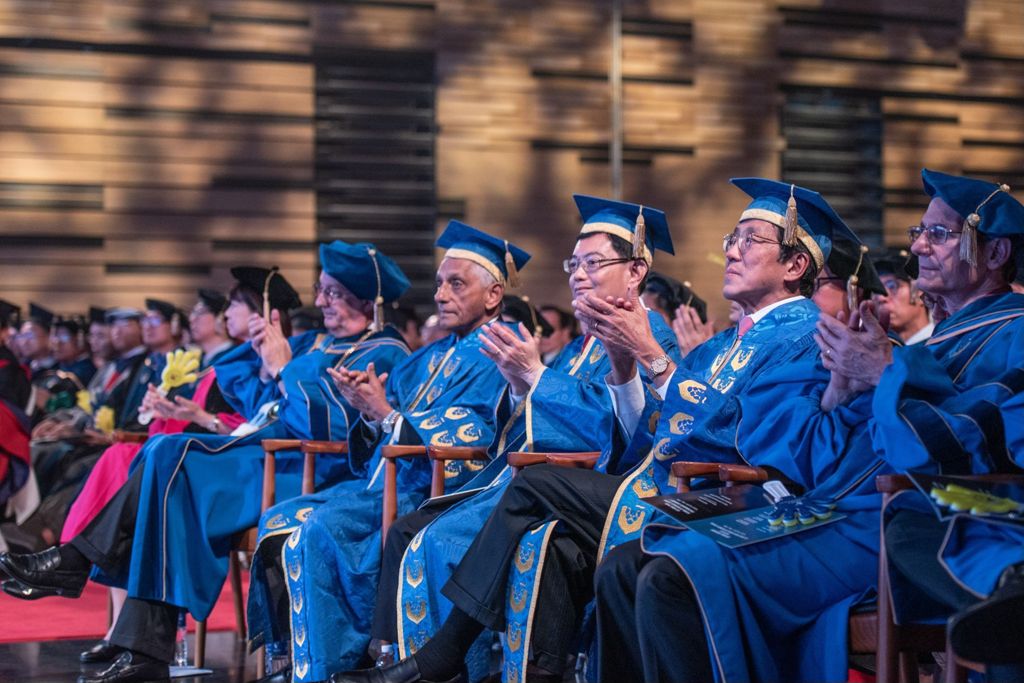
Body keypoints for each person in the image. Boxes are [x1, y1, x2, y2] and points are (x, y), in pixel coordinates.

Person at [331, 177, 833, 683]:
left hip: (728, 499)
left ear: (794, 265)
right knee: (553, 547)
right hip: (658, 482)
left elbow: (750, 437)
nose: (731, 251)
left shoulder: (806, 337)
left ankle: (442, 657)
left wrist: (642, 360)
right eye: (732, 238)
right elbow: (645, 436)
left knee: (533, 489)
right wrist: (615, 368)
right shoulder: (714, 346)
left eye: (751, 240)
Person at [594, 169, 1024, 683]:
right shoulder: (930, 344)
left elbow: (974, 442)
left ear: (997, 254)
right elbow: (834, 452)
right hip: (835, 506)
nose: (920, 249)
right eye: (919, 233)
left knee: (671, 576)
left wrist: (884, 374)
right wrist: (840, 393)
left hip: (919, 521)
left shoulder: (1013, 332)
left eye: (939, 235)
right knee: (630, 564)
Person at [0, 243, 412, 683]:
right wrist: (261, 346)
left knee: (172, 458)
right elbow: (250, 392)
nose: (323, 301)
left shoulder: (386, 351)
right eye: (322, 290)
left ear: (368, 302)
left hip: (308, 471)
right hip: (259, 458)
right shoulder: (315, 342)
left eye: (335, 293)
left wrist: (283, 369)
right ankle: (139, 643)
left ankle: (78, 563)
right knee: (163, 463)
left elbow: (332, 429)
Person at [370, 197, 682, 683]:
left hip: (601, 490)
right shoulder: (584, 342)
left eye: (593, 263)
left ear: (636, 270)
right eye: (573, 264)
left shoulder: (651, 332)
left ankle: (444, 666)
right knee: (412, 528)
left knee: (436, 538)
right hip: (543, 481)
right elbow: (541, 418)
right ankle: (396, 660)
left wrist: (535, 377)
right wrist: (522, 383)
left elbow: (623, 432)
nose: (578, 274)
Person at [243, 222, 530, 683]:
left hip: (441, 490)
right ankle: (302, 659)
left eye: (456, 284)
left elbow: (477, 428)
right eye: (439, 283)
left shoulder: (502, 348)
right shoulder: (427, 357)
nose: (440, 295)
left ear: (494, 295)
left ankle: (335, 665)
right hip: (387, 482)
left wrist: (389, 417)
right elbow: (384, 416)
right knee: (280, 517)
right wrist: (369, 409)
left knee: (319, 527)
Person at [873, 247, 934, 344]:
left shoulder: (941, 344)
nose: (881, 298)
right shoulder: (879, 350)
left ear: (920, 292)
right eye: (876, 290)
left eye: (892, 286)